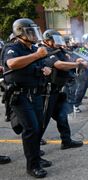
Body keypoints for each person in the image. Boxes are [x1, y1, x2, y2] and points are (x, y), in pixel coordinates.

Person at [2, 18, 52, 178]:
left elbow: (39, 65)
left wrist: (45, 69)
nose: (34, 35)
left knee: (38, 128)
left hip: (36, 93)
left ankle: (36, 157)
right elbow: (12, 63)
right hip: (20, 95)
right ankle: (32, 166)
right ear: (20, 32)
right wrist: (37, 55)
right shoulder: (13, 47)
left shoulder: (33, 49)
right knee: (31, 129)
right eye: (30, 32)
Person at [40, 29, 85, 150]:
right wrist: (78, 64)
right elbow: (59, 64)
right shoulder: (45, 50)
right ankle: (35, 144)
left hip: (57, 90)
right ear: (48, 41)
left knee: (62, 115)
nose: (59, 43)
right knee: (43, 118)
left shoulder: (58, 50)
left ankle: (66, 141)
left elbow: (67, 61)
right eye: (55, 40)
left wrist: (76, 60)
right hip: (46, 91)